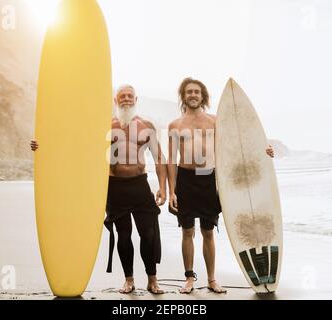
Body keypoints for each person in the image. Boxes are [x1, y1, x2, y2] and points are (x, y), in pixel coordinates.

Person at [31, 84, 167, 295]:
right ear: (115, 100)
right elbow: (75, 146)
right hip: (115, 187)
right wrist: (43, 144)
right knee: (123, 235)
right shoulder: (104, 126)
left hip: (140, 185)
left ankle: (152, 280)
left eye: (130, 96)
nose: (127, 99)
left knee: (148, 234)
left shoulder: (146, 126)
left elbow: (159, 158)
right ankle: (129, 280)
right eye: (122, 96)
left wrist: (163, 189)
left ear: (136, 99)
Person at [167, 77, 274, 294]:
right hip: (186, 179)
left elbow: (238, 145)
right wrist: (172, 192)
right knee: (187, 232)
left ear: (203, 96)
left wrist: (264, 151)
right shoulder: (175, 125)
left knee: (208, 232)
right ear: (183, 96)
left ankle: (212, 279)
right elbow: (170, 160)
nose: (193, 95)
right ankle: (189, 278)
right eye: (189, 92)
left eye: (197, 92)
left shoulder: (215, 121)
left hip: (209, 179)